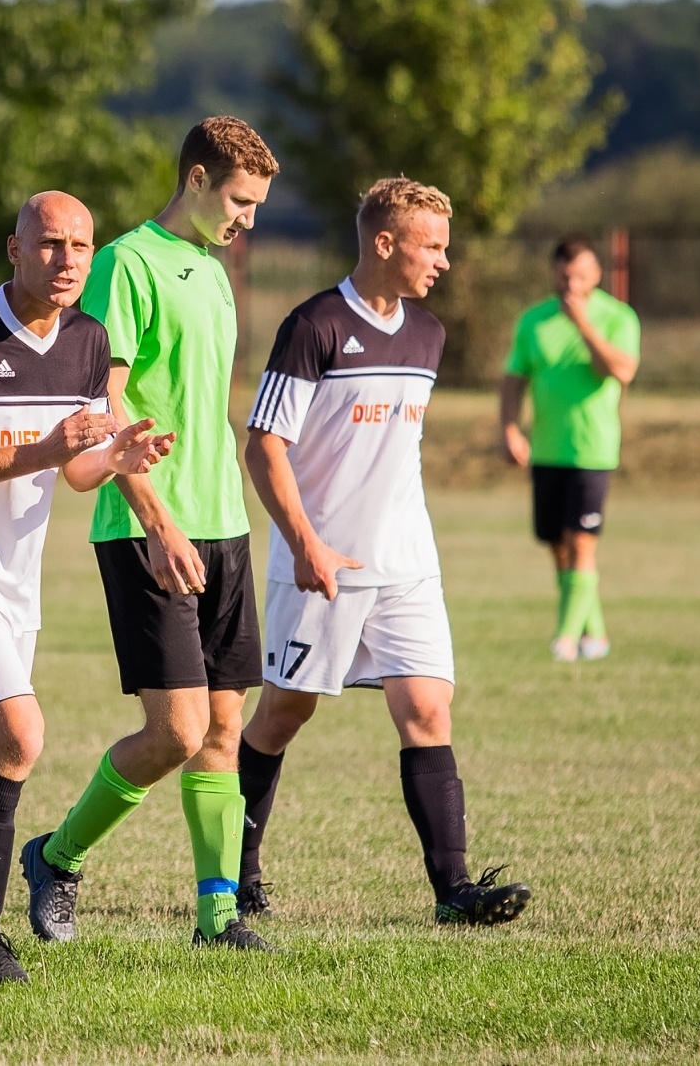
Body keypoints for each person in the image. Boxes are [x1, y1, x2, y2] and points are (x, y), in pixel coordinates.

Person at [0, 191, 173, 984]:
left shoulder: (88, 340)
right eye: (50, 244)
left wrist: (116, 458)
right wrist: (44, 449)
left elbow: (76, 467)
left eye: (81, 245)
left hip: (15, 585)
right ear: (13, 249)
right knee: (22, 737)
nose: (68, 260)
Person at [235, 177, 532, 927]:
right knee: (284, 712)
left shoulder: (428, 334)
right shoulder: (315, 325)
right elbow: (264, 443)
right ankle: (236, 873)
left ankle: (454, 891)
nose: (444, 262)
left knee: (429, 707)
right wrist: (306, 543)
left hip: (405, 559)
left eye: (446, 247)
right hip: (321, 562)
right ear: (385, 242)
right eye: (432, 246)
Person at [20, 117, 281, 951]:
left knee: (223, 732)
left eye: (258, 205)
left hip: (224, 524)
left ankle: (217, 918)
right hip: (147, 528)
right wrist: (158, 520)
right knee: (174, 730)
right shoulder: (127, 264)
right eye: (241, 200)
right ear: (197, 180)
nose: (249, 218)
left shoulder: (212, 268)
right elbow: (106, 411)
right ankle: (56, 857)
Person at [499, 235, 641, 662]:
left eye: (581, 275)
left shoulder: (617, 317)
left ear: (597, 275)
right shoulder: (534, 321)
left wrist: (583, 324)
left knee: (581, 541)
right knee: (558, 544)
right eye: (565, 275)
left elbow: (621, 370)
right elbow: (514, 377)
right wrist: (509, 428)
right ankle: (593, 633)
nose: (572, 284)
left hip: (593, 451)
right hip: (546, 450)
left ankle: (564, 638)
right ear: (554, 273)